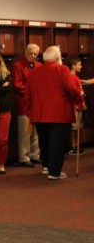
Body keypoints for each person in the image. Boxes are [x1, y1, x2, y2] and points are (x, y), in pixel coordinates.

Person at [26, 46, 81, 180]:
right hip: (59, 113)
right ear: (57, 58)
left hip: (39, 113)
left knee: (44, 141)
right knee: (57, 142)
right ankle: (54, 172)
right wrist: (76, 101)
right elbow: (71, 89)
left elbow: (27, 94)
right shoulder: (62, 69)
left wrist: (29, 110)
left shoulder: (34, 72)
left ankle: (46, 166)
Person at [12, 44, 42, 167]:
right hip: (23, 103)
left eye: (35, 54)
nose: (33, 56)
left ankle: (35, 155)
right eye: (31, 53)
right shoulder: (18, 65)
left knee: (36, 131)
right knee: (25, 132)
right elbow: (17, 84)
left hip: (37, 103)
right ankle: (24, 157)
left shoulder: (39, 66)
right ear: (26, 52)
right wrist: (32, 90)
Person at [66, 57, 87, 156]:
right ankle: (72, 147)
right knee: (74, 127)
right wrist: (76, 104)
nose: (81, 67)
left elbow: (80, 92)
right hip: (75, 105)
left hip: (79, 105)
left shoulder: (76, 77)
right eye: (79, 64)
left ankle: (76, 146)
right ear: (73, 66)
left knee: (78, 126)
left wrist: (83, 103)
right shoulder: (70, 77)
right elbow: (72, 92)